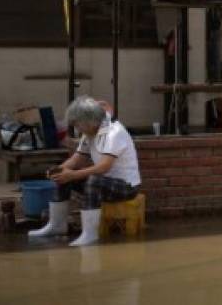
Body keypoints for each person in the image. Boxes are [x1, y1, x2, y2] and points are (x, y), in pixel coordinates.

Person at [29, 96, 141, 246]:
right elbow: (77, 159)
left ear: (90, 120)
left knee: (92, 180)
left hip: (126, 186)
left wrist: (73, 174)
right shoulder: (89, 132)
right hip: (104, 182)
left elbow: (103, 167)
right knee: (63, 176)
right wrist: (61, 170)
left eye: (78, 124)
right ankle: (57, 226)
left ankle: (90, 234)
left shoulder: (114, 133)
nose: (76, 128)